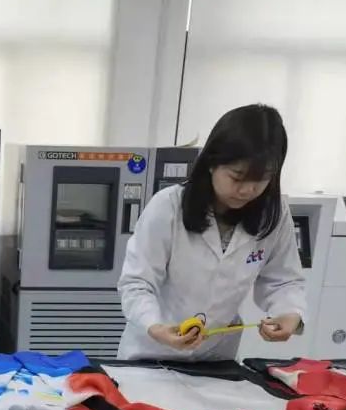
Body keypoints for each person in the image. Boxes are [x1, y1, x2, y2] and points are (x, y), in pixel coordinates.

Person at [117, 103, 305, 361]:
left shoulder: (274, 214)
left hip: (215, 357)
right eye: (237, 177)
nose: (247, 190)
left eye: (261, 179)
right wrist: (156, 327)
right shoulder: (168, 206)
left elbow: (284, 280)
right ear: (211, 163)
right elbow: (137, 283)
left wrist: (289, 313)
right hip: (153, 350)